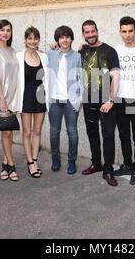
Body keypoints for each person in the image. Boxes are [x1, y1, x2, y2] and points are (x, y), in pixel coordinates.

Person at [80, 20, 120, 187]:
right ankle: (96, 163)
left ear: (97, 31)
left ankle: (108, 169)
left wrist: (111, 100)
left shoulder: (109, 51)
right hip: (88, 100)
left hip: (106, 101)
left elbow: (116, 76)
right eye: (87, 32)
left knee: (108, 135)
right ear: (83, 34)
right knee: (92, 133)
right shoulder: (82, 51)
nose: (90, 35)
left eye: (92, 31)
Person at [111, 16, 135, 185]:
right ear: (120, 32)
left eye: (130, 31)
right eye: (124, 31)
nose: (128, 35)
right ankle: (127, 164)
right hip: (120, 99)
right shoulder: (115, 51)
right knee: (124, 135)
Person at [0, 19, 21, 182]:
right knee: (5, 131)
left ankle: (5, 162)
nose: (5, 33)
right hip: (2, 94)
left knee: (9, 131)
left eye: (8, 30)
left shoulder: (13, 50)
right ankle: (11, 165)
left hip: (13, 95)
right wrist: (2, 98)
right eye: (2, 30)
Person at [47, 26, 84, 175]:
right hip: (54, 101)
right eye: (62, 37)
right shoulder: (50, 54)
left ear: (71, 39)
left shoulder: (77, 56)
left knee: (72, 132)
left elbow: (81, 79)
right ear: (58, 39)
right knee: (54, 132)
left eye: (67, 37)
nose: (65, 40)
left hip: (70, 102)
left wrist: (79, 100)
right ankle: (55, 159)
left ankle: (72, 161)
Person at [16, 26, 49, 178]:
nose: (32, 41)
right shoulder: (18, 56)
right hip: (25, 97)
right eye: (29, 38)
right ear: (25, 40)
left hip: (40, 96)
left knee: (37, 131)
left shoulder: (44, 56)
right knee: (27, 131)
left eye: (35, 38)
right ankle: (30, 162)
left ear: (38, 40)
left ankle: (34, 159)